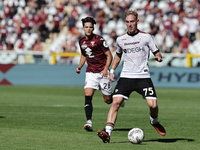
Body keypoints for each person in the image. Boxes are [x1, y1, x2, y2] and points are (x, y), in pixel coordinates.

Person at [97, 10, 166, 143]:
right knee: (115, 102)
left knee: (153, 105)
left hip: (143, 76)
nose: (130, 24)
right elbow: (118, 55)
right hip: (126, 76)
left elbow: (156, 52)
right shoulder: (121, 39)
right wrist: (112, 71)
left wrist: (158, 57)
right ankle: (107, 133)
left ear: (137, 22)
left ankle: (154, 122)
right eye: (127, 22)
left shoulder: (146, 37)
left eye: (132, 21)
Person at [75, 17, 113, 132]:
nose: (88, 29)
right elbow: (84, 55)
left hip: (102, 72)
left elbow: (109, 55)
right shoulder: (81, 41)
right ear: (83, 28)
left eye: (90, 27)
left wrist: (106, 69)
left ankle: (118, 98)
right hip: (90, 72)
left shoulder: (99, 40)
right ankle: (89, 122)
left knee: (108, 101)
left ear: (93, 28)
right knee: (88, 96)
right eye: (86, 27)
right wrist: (80, 66)